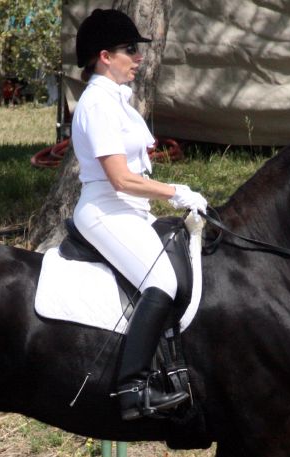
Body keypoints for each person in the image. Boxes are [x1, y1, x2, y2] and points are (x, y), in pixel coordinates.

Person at [72, 8, 208, 421]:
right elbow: (119, 178)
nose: (138, 57)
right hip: (104, 209)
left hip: (131, 210)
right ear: (104, 56)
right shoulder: (97, 103)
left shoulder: (118, 100)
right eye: (130, 50)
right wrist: (176, 192)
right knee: (162, 280)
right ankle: (132, 387)